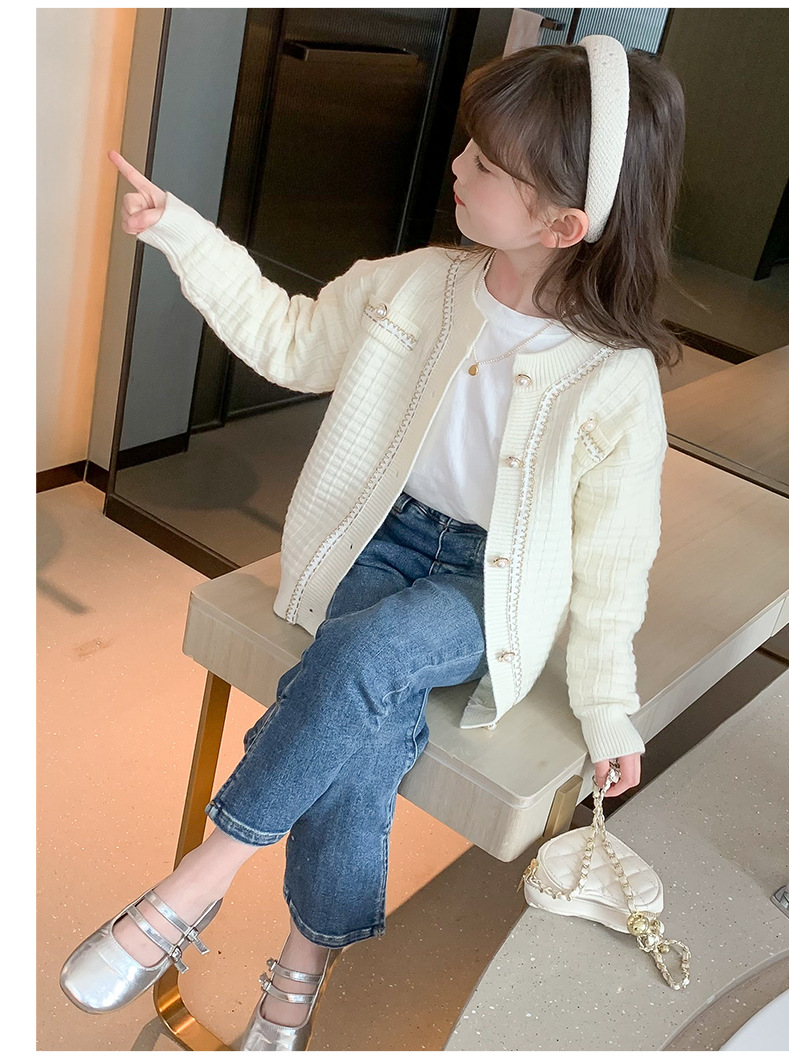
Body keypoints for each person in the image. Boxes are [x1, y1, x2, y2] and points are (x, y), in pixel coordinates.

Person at [60, 36, 686, 1050]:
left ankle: (196, 883)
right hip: (378, 539)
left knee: (363, 655)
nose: (458, 166)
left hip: (486, 585)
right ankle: (300, 973)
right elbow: (290, 338)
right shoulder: (417, 283)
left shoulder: (612, 378)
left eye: (488, 164)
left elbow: (615, 560)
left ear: (562, 225)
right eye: (470, 147)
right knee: (367, 727)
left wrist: (609, 711)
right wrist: (181, 232)